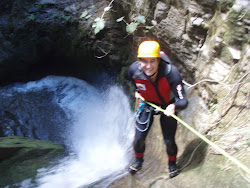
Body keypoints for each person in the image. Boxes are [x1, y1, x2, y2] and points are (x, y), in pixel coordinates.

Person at [127, 41, 188, 178]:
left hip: (168, 105)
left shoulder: (171, 73)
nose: (148, 66)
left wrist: (174, 106)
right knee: (138, 139)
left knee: (169, 141)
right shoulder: (133, 70)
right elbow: (132, 81)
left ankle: (172, 164)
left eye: (152, 61)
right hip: (147, 104)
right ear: (139, 61)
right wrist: (137, 92)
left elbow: (183, 101)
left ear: (158, 61)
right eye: (144, 61)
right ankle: (138, 161)